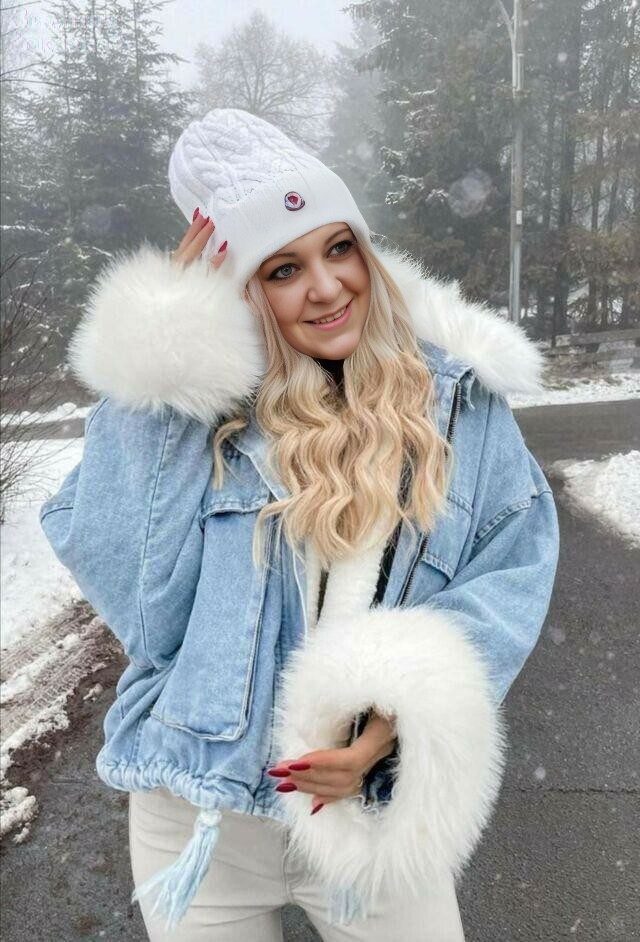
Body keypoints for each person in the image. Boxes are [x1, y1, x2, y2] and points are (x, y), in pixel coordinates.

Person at [39, 108, 560, 941]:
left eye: (338, 248)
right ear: (243, 290)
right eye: (282, 268)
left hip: (374, 814)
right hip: (199, 815)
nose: (325, 286)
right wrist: (160, 362)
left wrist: (393, 721)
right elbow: (146, 612)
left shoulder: (458, 404)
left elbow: (511, 574)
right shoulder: (206, 415)